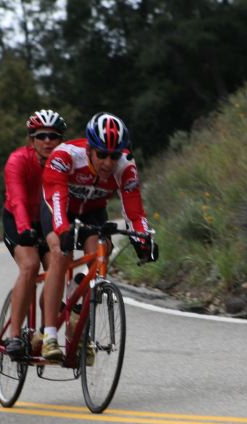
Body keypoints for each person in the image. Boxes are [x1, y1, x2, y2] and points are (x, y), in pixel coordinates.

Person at [38, 112, 158, 361]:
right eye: (102, 154)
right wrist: (63, 230)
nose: (108, 162)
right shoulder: (66, 155)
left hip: (93, 211)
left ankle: (79, 315)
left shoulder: (126, 167)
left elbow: (134, 210)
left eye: (114, 155)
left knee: (99, 254)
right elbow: (57, 199)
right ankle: (49, 335)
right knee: (61, 254)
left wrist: (144, 239)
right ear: (90, 149)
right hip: (60, 207)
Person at [1, 109, 67, 358]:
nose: (48, 141)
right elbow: (16, 198)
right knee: (30, 266)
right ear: (32, 140)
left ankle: (44, 331)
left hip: (47, 223)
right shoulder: (18, 161)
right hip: (19, 221)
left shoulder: (64, 164)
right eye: (41, 136)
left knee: (58, 269)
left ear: (61, 140)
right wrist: (25, 229)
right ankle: (14, 336)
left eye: (54, 136)